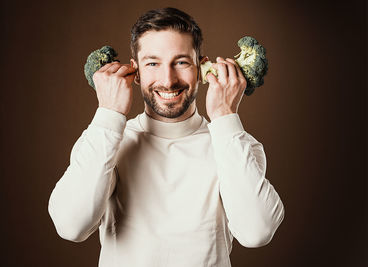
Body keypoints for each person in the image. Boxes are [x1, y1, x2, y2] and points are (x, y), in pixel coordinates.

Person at [48, 7, 285, 267]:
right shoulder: (106, 137)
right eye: (153, 63)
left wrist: (225, 116)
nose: (168, 80)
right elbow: (71, 226)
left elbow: (257, 232)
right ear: (135, 71)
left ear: (200, 67)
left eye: (181, 62)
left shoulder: (232, 141)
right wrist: (108, 114)